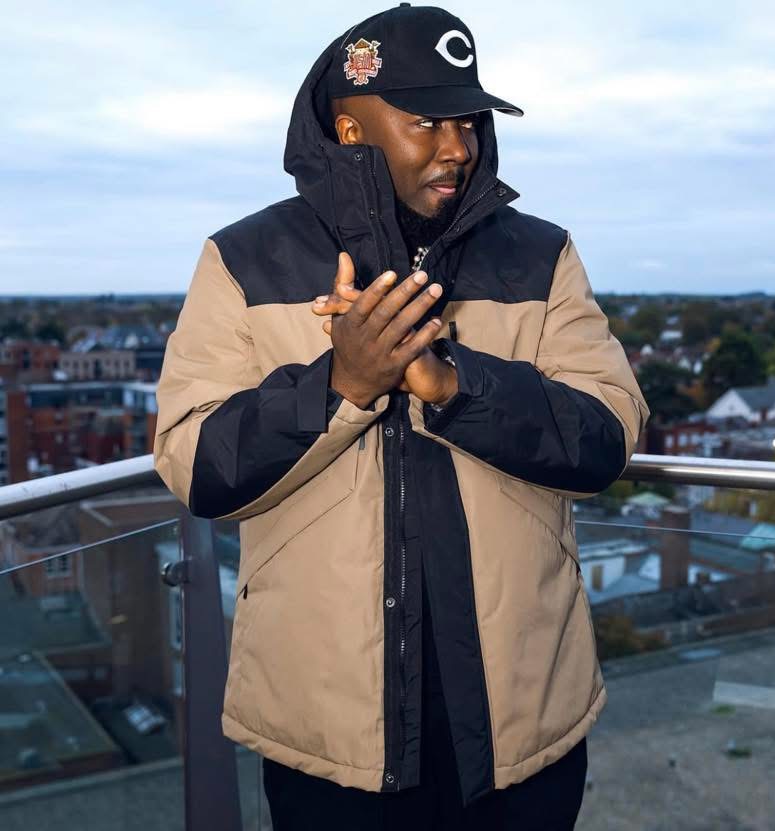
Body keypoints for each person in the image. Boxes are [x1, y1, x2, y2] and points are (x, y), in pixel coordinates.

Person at [154, 3, 650, 828]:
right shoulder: (243, 259)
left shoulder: (542, 254)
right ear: (351, 130)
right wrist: (342, 384)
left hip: (522, 732)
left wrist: (453, 383)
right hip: (329, 745)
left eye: (470, 120)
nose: (459, 146)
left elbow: (608, 435)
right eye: (427, 121)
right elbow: (192, 463)